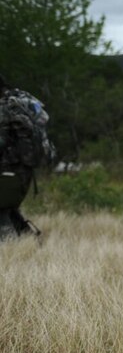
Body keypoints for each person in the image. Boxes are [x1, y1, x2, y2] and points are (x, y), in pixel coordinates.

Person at [0, 74, 54, 240]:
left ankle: (9, 248)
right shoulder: (21, 99)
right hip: (25, 170)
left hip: (9, 168)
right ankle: (29, 242)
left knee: (2, 209)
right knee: (8, 207)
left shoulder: (3, 108)